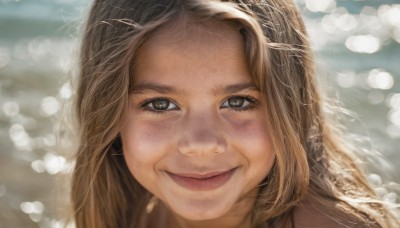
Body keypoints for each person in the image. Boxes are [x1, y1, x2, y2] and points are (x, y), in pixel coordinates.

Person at [70, 0, 399, 227]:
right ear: (107, 115)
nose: (201, 144)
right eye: (160, 104)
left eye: (238, 102)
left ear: (291, 108)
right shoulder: (127, 209)